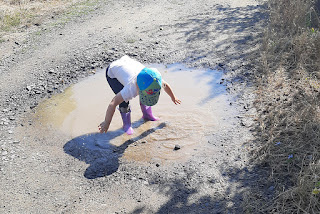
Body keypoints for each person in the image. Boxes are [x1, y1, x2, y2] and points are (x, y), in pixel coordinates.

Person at [98, 55, 181, 135]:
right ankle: (127, 125)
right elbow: (113, 103)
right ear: (138, 86)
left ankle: (147, 115)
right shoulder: (130, 88)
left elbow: (165, 86)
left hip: (129, 65)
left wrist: (173, 97)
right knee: (123, 102)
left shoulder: (154, 79)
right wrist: (106, 122)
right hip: (113, 73)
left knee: (147, 93)